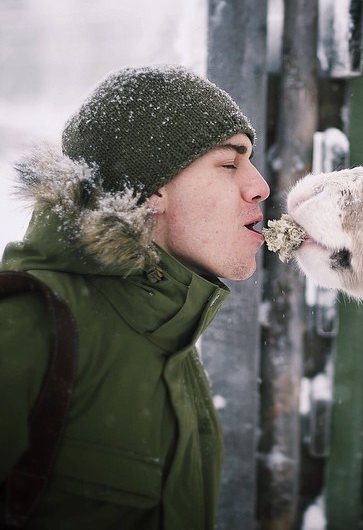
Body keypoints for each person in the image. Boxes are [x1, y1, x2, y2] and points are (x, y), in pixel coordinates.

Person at [0, 65, 270, 529]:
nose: (260, 185)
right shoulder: (27, 325)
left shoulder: (167, 333)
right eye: (230, 163)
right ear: (152, 191)